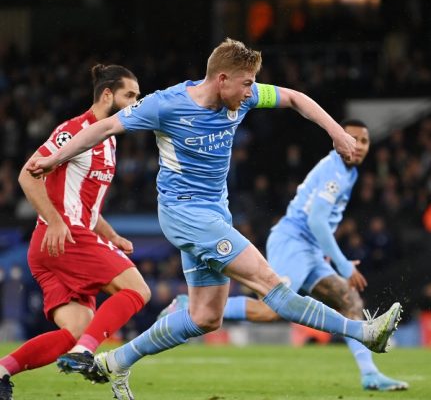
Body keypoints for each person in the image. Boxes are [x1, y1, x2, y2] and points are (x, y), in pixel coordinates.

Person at [27, 39, 402, 400]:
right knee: (269, 282)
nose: (250, 92)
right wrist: (55, 158)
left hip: (215, 212)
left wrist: (336, 132)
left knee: (206, 317)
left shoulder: (244, 96)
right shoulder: (166, 105)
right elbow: (105, 127)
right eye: (246, 83)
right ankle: (364, 331)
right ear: (222, 79)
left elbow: (294, 98)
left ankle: (116, 361)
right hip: (184, 212)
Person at [162, 119, 408, 391]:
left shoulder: (348, 172)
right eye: (352, 139)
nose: (358, 146)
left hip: (310, 248)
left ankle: (370, 374)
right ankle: (188, 306)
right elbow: (316, 221)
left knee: (348, 299)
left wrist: (323, 252)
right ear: (338, 140)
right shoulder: (336, 172)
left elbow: (319, 220)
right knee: (269, 310)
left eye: (364, 141)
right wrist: (342, 263)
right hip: (293, 243)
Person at [0, 64, 151, 400]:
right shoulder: (74, 131)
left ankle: (2, 370)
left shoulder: (108, 140)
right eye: (130, 96)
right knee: (137, 290)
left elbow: (85, 206)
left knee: (76, 329)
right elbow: (27, 175)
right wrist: (55, 221)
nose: (135, 104)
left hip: (54, 244)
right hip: (64, 237)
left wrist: (111, 236)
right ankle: (85, 353)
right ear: (107, 95)